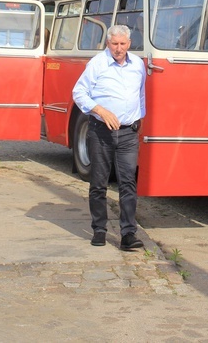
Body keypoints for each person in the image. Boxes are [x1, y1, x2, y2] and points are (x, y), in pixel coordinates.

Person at [72, 24, 146, 250]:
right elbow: (78, 92)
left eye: (123, 44)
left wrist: (138, 118)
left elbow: (140, 93)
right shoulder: (97, 63)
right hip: (101, 131)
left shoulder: (138, 65)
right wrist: (100, 111)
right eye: (114, 44)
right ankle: (100, 229)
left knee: (128, 183)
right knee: (99, 182)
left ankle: (128, 234)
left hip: (128, 133)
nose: (119, 48)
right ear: (108, 44)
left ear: (129, 44)